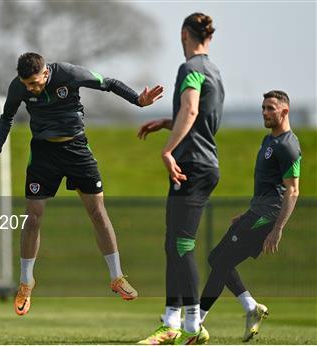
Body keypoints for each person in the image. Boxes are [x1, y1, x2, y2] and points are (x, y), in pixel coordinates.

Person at [0, 52, 164, 316]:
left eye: (35, 83)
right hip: (44, 154)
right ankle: (26, 282)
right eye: (27, 84)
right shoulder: (18, 86)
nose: (31, 88)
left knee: (98, 212)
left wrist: (138, 100)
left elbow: (109, 82)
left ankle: (116, 277)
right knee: (32, 219)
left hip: (77, 149)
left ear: (46, 72)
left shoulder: (70, 74)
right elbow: (7, 117)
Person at [137, 13, 224, 344]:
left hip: (192, 163)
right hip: (202, 162)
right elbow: (198, 116)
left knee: (182, 244)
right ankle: (172, 321)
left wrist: (167, 150)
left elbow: (190, 111)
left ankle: (191, 325)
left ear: (185, 34)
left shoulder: (190, 69)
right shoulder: (212, 69)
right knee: (173, 243)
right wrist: (166, 123)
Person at [198, 90, 300, 342]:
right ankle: (251, 308)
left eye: (270, 108)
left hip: (268, 215)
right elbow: (269, 186)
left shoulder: (288, 146)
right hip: (258, 211)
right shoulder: (269, 141)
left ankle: (196, 321)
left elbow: (293, 190)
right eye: (263, 108)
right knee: (216, 258)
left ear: (284, 111)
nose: (264, 112)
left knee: (221, 262)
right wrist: (247, 213)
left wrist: (277, 229)